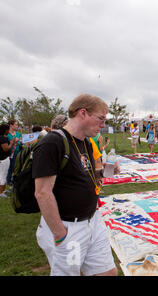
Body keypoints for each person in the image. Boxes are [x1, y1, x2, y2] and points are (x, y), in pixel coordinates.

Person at [33, 93, 118, 276]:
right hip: (68, 226)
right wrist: (60, 233)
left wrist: (105, 171)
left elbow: (83, 173)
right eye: (101, 119)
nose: (103, 125)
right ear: (83, 113)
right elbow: (42, 193)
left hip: (92, 220)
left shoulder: (85, 142)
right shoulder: (52, 143)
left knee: (108, 272)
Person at [0, 124, 16, 198]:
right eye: (8, 130)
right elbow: (6, 149)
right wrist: (12, 143)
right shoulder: (3, 138)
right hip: (4, 159)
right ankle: (1, 192)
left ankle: (3, 190)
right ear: (5, 130)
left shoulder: (3, 137)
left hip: (1, 159)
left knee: (2, 175)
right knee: (3, 175)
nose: (8, 131)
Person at [6, 119, 22, 185]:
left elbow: (21, 143)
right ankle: (8, 181)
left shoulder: (18, 134)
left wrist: (22, 143)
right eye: (16, 124)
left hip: (18, 153)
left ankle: (15, 181)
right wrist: (12, 142)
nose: (17, 126)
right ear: (11, 125)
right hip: (10, 154)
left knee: (17, 168)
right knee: (10, 168)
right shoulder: (7, 134)